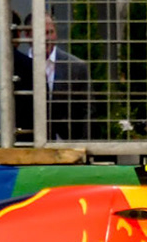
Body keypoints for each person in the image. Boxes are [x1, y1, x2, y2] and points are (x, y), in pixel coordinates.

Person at [16, 11, 93, 143]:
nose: (47, 38)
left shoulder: (75, 67)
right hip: (27, 144)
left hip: (66, 144)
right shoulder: (17, 66)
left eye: (51, 32)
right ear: (28, 35)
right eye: (42, 33)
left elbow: (88, 111)